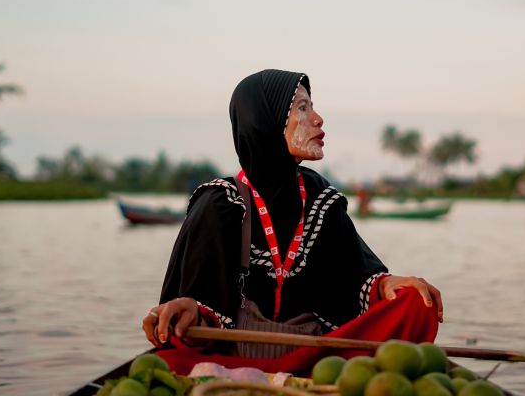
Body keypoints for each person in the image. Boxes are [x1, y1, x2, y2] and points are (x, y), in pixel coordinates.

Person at [142, 69, 443, 375]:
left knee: (416, 302)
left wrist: (385, 285)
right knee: (169, 359)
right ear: (264, 120)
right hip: (233, 360)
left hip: (318, 360)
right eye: (302, 108)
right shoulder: (221, 202)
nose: (318, 118)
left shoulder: (322, 198)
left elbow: (355, 279)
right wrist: (190, 309)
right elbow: (200, 307)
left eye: (312, 106)